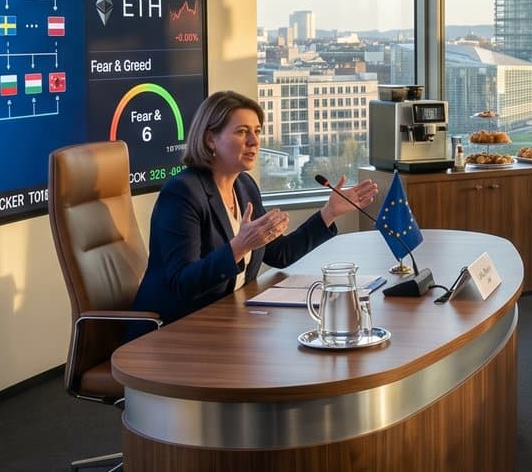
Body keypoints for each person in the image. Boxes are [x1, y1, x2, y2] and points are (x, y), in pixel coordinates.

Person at [133, 91, 378, 324]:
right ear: (211, 139)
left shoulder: (245, 186)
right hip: (174, 330)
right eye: (241, 132)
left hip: (227, 320)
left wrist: (329, 212)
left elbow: (279, 254)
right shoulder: (182, 193)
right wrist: (240, 246)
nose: (254, 141)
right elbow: (183, 284)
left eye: (257, 131)